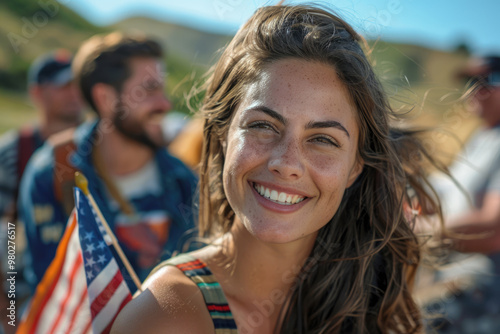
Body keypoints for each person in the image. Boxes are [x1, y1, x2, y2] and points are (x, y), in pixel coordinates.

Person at [112, 5, 446, 333]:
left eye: (323, 140)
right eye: (263, 125)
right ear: (224, 134)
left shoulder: (371, 303)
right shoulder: (167, 315)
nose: (286, 164)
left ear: (356, 167)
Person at [18, 32, 198, 293]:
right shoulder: (54, 172)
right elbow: (48, 290)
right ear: (105, 98)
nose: (165, 103)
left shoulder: (183, 179)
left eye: (162, 89)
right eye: (149, 89)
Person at [0, 50, 84, 334]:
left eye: (78, 84)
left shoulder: (102, 149)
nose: (75, 93)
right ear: (37, 93)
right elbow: (6, 233)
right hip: (27, 295)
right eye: (64, 86)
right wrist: (9, 308)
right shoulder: (13, 152)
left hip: (89, 297)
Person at [422, 56, 500, 332]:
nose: (471, 90)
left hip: (484, 283)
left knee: (418, 319)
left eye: (483, 82)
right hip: (451, 268)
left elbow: (492, 231)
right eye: (469, 82)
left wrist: (423, 231)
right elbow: (445, 192)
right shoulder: (481, 138)